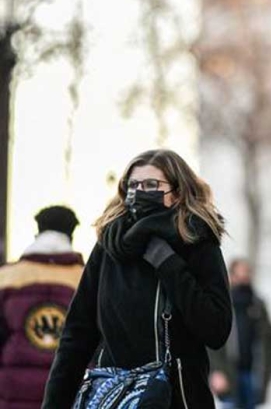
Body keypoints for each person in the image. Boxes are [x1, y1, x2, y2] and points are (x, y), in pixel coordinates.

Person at [42, 149, 233, 409]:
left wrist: (167, 263)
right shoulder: (109, 246)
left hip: (178, 398)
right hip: (114, 397)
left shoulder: (196, 242)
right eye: (133, 185)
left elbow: (216, 328)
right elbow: (77, 335)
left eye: (151, 185)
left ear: (176, 193)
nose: (140, 191)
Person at [0, 206, 82, 409]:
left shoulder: (7, 277)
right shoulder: (86, 278)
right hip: (69, 392)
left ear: (37, 232)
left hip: (13, 392)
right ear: (71, 235)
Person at [209, 260, 271, 409]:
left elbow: (269, 341)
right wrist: (216, 370)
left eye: (248, 272)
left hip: (253, 373)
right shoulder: (223, 302)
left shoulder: (258, 305)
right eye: (241, 272)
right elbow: (211, 338)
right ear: (232, 275)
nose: (245, 276)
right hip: (228, 372)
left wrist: (268, 371)